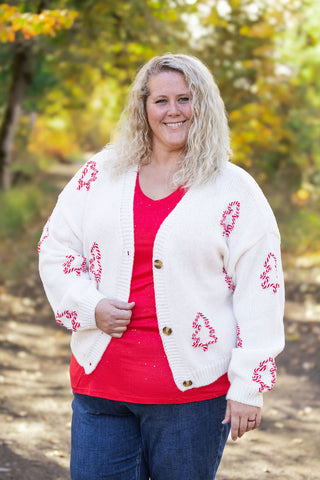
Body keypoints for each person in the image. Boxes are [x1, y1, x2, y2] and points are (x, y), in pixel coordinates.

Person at [38, 54, 285, 480]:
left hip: (191, 401)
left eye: (185, 99)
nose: (173, 111)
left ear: (203, 105)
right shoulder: (100, 173)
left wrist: (249, 387)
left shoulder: (233, 189)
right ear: (143, 108)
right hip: (102, 391)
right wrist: (88, 305)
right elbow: (56, 250)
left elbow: (261, 288)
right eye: (161, 100)